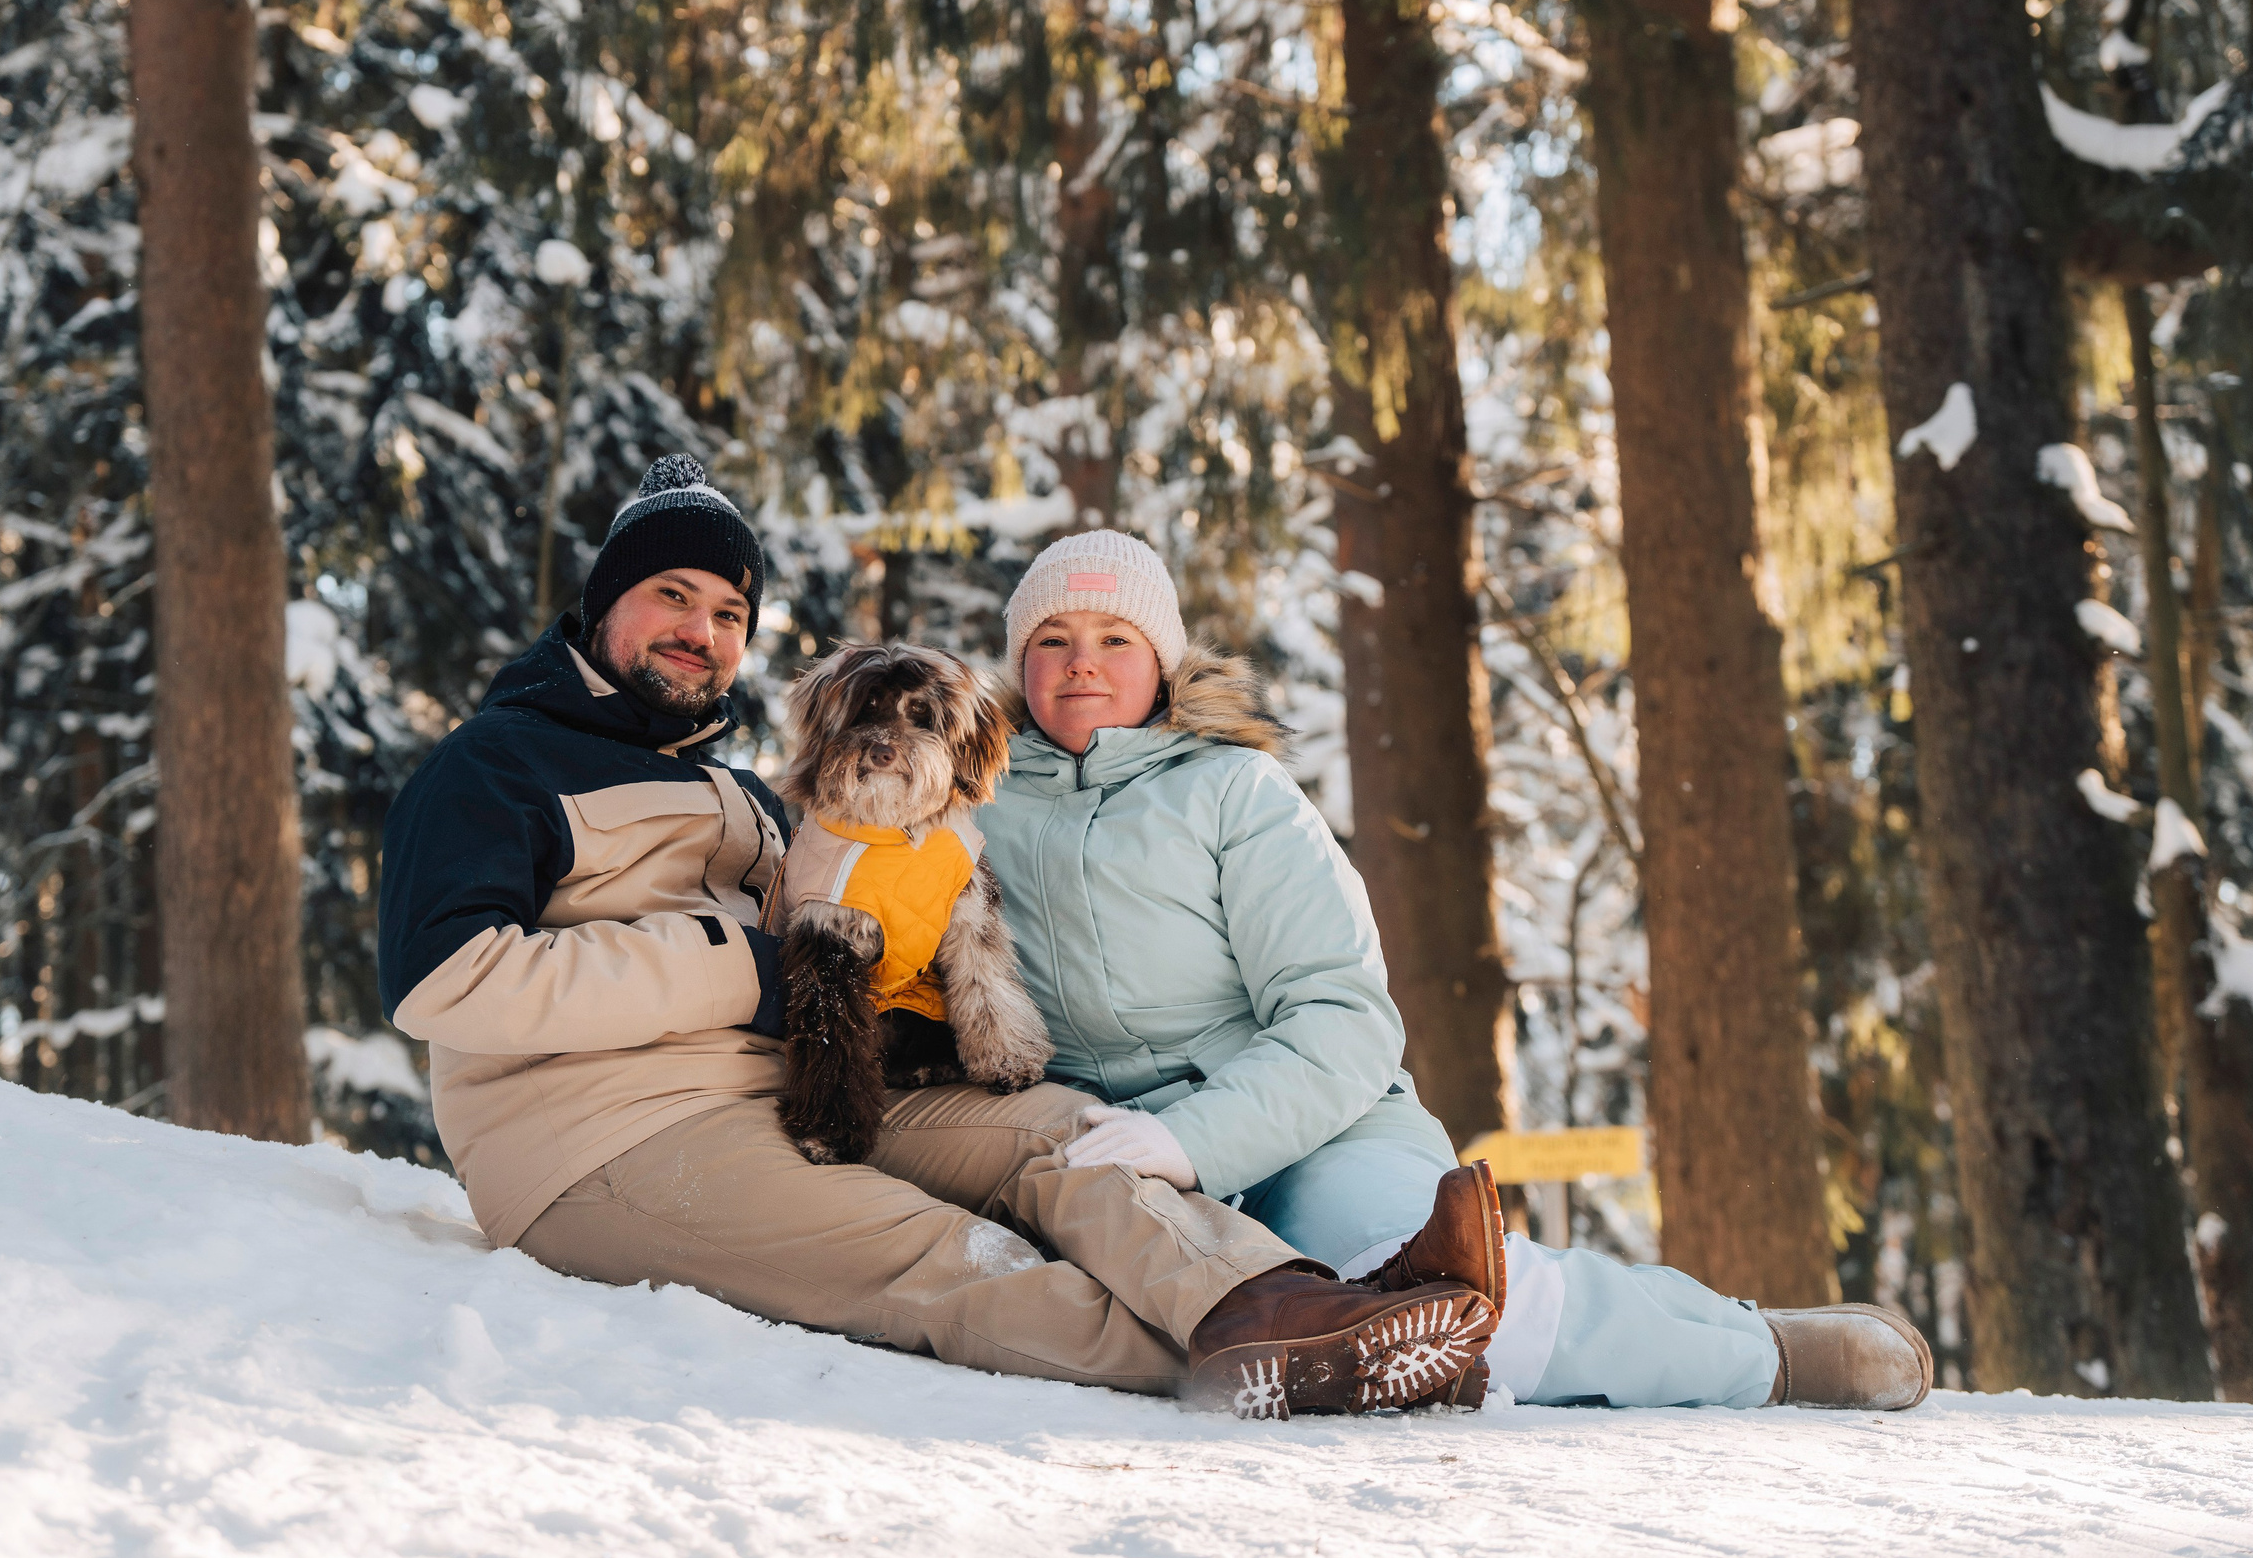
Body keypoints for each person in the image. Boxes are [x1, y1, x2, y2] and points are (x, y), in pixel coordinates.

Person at [376, 455, 1497, 1419]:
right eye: (672, 596)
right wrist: (740, 971)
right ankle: (1296, 1361)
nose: (700, 633)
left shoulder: (741, 790)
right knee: (934, 1251)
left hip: (793, 1086)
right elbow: (443, 981)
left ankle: (1301, 1303)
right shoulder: (497, 763)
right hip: (601, 1141)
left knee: (1062, 1132)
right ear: (602, 602)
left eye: (727, 614)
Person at [978, 529, 1932, 1411]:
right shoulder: (972, 806)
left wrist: (1191, 1138)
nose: (1082, 662)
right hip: (1118, 1170)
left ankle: (1762, 1352)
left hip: (1319, 1136)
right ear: (1021, 665)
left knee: (1457, 1307)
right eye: (1053, 640)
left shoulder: (1236, 792)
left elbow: (1342, 1017)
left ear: (1163, 661)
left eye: (1115, 637)